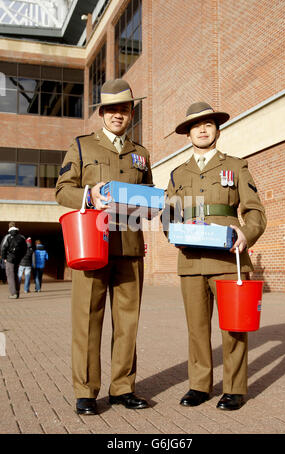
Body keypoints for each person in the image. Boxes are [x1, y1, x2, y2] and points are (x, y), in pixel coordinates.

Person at [55, 79, 153, 415]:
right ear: (101, 113)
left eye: (123, 109)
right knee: (87, 319)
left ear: (130, 113)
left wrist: (153, 207)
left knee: (127, 323)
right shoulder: (82, 146)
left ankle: (123, 388)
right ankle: (85, 391)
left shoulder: (141, 154)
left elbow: (149, 196)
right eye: (111, 109)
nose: (117, 115)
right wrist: (88, 195)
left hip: (129, 246)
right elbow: (62, 190)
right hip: (91, 246)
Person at [162, 102, 267, 411]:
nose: (203, 129)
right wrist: (174, 234)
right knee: (196, 328)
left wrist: (247, 234)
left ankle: (234, 388)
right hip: (191, 260)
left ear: (217, 130)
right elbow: (168, 215)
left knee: (233, 326)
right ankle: (199, 385)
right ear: (189, 133)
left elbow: (255, 210)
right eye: (196, 126)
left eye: (208, 124)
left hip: (228, 259)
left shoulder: (235, 165)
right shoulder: (178, 173)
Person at [0, 222, 27, 299]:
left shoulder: (8, 236)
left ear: (9, 227)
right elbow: (25, 249)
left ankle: (13, 293)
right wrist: (20, 257)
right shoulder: (22, 237)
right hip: (18, 259)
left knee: (10, 276)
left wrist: (4, 258)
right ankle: (17, 292)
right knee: (15, 275)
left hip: (9, 259)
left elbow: (3, 248)